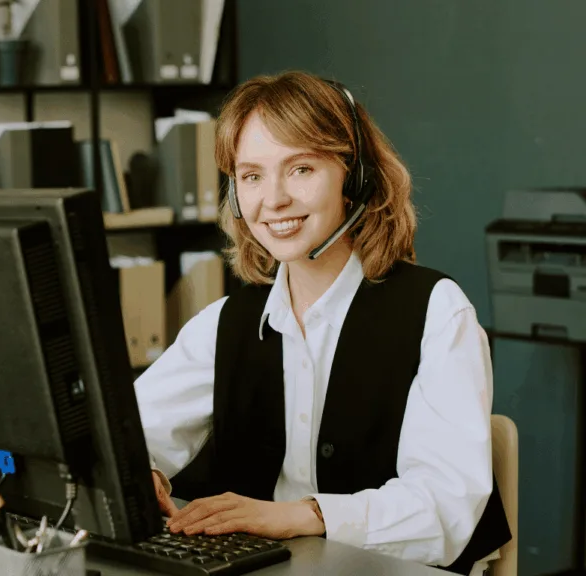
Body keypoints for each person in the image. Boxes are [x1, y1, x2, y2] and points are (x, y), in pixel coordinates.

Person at [134, 71, 510, 576]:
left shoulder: (436, 313)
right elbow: (130, 431)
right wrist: (142, 470)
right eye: (252, 176)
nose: (274, 199)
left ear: (354, 178)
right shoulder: (226, 323)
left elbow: (443, 508)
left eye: (301, 169)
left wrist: (302, 516)